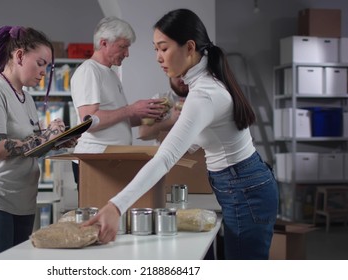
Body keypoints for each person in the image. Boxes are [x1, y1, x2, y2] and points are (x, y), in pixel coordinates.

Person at [83, 9, 279, 260]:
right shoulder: (207, 81)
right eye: (155, 49)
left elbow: (165, 159)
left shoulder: (203, 94)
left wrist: (115, 206)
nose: (158, 57)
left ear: (189, 47)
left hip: (244, 188)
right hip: (242, 183)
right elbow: (198, 141)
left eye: (163, 48)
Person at [0, 26, 69, 260]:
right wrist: (46, 135)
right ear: (19, 56)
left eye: (48, 67)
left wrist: (59, 139)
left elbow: (34, 145)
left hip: (22, 200)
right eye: (40, 63)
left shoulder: (26, 97)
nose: (44, 72)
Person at [70, 16, 166, 185]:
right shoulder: (89, 71)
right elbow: (89, 121)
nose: (127, 54)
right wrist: (131, 109)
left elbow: (119, 119)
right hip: (95, 161)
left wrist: (147, 113)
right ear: (103, 43)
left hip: (108, 161)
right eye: (123, 47)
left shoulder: (110, 73)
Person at [138, 76, 188, 143]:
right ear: (170, 76)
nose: (182, 80)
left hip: (199, 153)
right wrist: (171, 121)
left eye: (186, 75)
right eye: (178, 76)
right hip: (165, 152)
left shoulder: (204, 99)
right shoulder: (160, 99)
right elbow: (143, 134)